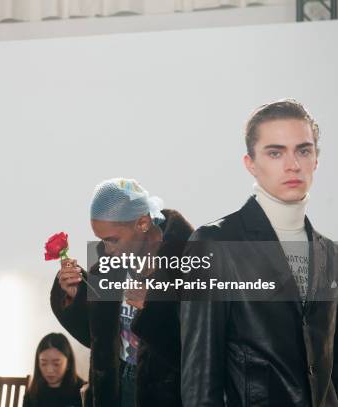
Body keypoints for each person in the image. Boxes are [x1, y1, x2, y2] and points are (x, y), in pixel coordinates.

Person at [180, 99, 338, 406]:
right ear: (250, 163)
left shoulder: (330, 254)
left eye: (303, 150)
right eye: (275, 152)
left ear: (316, 159)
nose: (293, 164)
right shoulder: (215, 244)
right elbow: (200, 380)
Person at [51, 178, 193, 407]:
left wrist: (154, 307)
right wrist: (75, 297)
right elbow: (98, 339)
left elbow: (206, 347)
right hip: (116, 387)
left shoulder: (189, 262)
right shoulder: (108, 268)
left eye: (112, 240)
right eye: (102, 241)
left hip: (168, 393)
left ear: (143, 223)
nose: (107, 250)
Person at [23, 333, 85, 407]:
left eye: (56, 364)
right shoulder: (32, 394)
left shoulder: (82, 391)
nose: (49, 370)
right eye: (43, 363)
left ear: (68, 363)